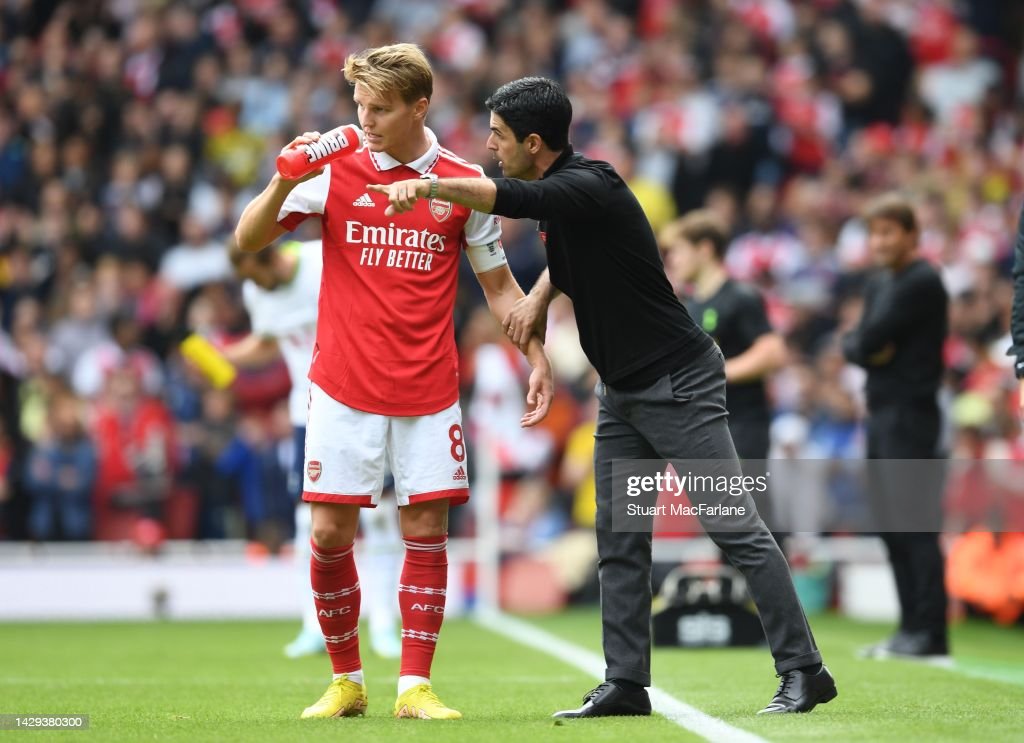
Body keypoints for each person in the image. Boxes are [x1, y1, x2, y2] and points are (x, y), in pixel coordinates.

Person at [370, 76, 835, 716]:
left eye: (499, 136)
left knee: (735, 528)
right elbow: (572, 256)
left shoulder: (594, 183)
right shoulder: (568, 202)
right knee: (618, 540)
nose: (489, 145)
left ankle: (806, 669)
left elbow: (510, 195)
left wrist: (425, 185)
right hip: (622, 394)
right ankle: (626, 683)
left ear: (534, 144)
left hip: (680, 382)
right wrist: (538, 298)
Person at [235, 45, 552, 721]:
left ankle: (415, 685)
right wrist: (283, 180)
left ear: (419, 106)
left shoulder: (465, 183)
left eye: (379, 108)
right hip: (342, 388)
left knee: (426, 529)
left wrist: (536, 353)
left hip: (428, 390)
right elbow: (249, 239)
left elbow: (500, 289)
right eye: (359, 105)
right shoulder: (334, 167)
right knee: (326, 534)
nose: (365, 119)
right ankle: (346, 679)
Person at [224, 239, 402, 661]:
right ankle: (313, 626)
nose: (252, 286)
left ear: (270, 257)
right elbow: (270, 341)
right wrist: (225, 355)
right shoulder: (257, 290)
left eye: (254, 275)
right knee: (308, 523)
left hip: (362, 402)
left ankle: (382, 624)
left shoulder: (324, 258)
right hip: (307, 413)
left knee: (377, 518)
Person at [842, 193, 950, 660]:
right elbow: (856, 344)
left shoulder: (922, 280)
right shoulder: (878, 284)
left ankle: (930, 631)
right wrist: (865, 346)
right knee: (890, 525)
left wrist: (866, 346)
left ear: (911, 235)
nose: (879, 241)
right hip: (882, 413)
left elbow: (864, 339)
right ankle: (909, 630)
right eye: (874, 232)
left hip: (911, 414)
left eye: (888, 232)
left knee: (915, 525)